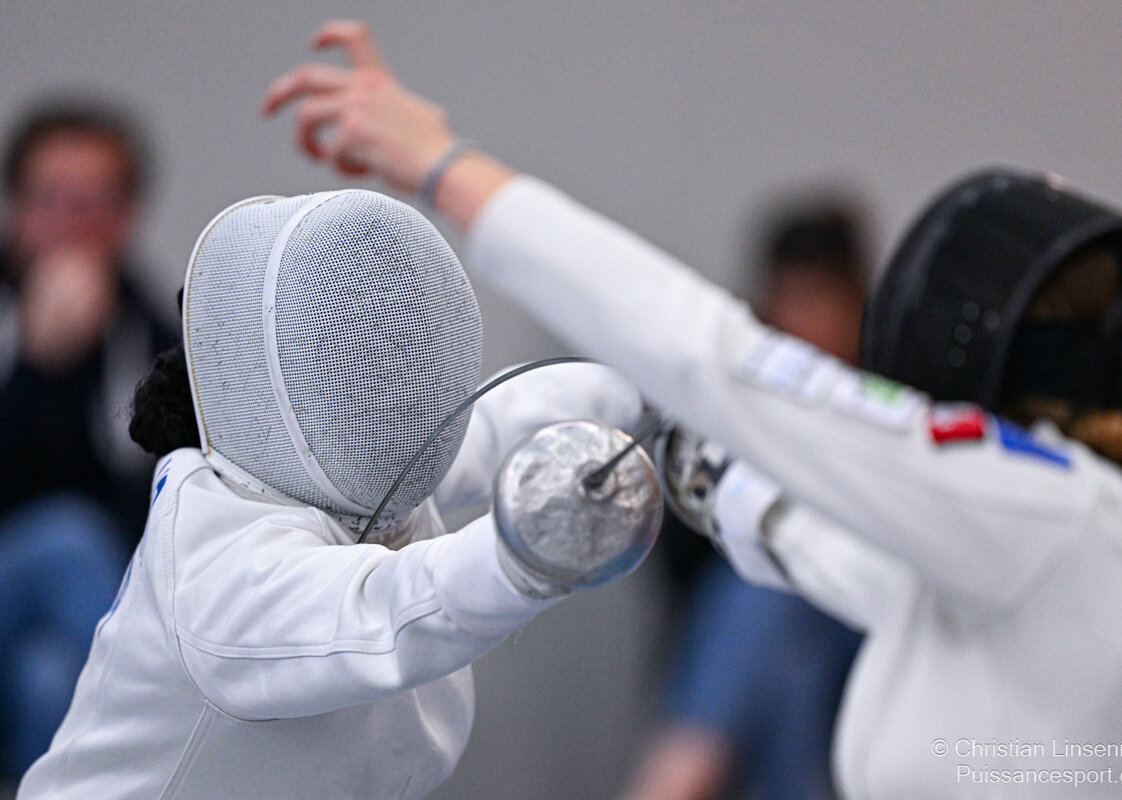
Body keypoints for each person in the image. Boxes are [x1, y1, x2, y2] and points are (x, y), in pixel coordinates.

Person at [263, 21, 1122, 797]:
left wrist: (443, 164)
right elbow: (851, 564)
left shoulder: (1038, 516)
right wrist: (705, 476)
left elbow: (721, 359)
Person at [15, 188, 657, 800]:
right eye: (360, 354)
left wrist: (653, 399)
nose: (395, 377)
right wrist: (534, 543)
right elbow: (400, 604)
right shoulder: (218, 569)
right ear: (285, 376)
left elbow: (490, 423)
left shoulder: (348, 472)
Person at [622, 202, 868, 800]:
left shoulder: (893, 412)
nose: (802, 321)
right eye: (788, 299)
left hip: (869, 637)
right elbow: (679, 562)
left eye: (819, 299)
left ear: (858, 304)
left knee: (771, 601)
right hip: (766, 657)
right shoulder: (727, 411)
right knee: (768, 617)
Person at [0, 98, 174, 781]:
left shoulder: (154, 334)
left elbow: (161, 510)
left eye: (92, 203)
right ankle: (167, 741)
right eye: (50, 200)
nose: (71, 223)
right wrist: (38, 369)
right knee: (67, 536)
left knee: (46, 680)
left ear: (126, 214)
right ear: (16, 208)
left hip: (69, 614)